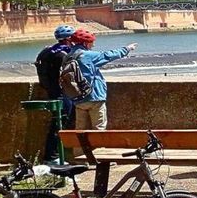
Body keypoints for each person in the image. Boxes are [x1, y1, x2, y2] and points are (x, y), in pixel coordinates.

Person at [67, 29, 136, 130]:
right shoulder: (87, 55)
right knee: (99, 129)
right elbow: (107, 56)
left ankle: (78, 146)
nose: (93, 46)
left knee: (80, 131)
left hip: (78, 99)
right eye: (92, 43)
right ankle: (98, 146)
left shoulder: (68, 56)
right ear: (85, 43)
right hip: (94, 97)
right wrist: (127, 49)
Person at [34, 24, 76, 162]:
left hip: (52, 91)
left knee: (56, 125)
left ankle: (52, 157)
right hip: (63, 94)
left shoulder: (48, 51)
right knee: (59, 126)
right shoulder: (64, 54)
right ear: (68, 39)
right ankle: (53, 157)